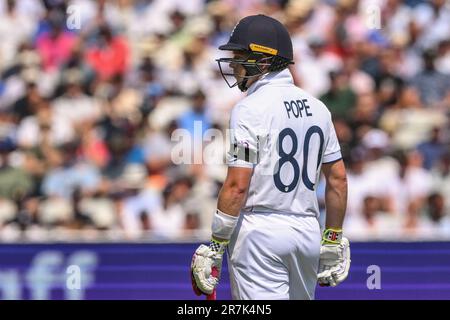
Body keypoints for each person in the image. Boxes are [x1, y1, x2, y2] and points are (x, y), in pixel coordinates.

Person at [190, 14, 350, 300]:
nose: (235, 65)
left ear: (263, 62)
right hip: (307, 230)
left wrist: (215, 244)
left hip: (259, 231)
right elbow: (337, 178)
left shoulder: (249, 108)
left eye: (241, 56)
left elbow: (238, 185)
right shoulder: (318, 108)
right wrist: (333, 238)